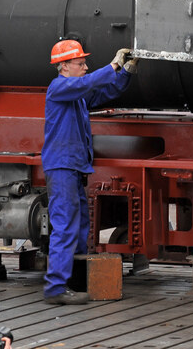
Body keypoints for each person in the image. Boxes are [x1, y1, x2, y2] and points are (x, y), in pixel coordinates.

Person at [42, 40, 138, 305]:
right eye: (80, 63)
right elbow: (88, 83)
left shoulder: (76, 95)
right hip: (62, 168)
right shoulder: (58, 88)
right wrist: (114, 64)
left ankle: (74, 282)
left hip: (72, 168)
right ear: (64, 66)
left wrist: (127, 72)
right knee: (65, 226)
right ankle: (55, 287)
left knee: (80, 225)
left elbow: (107, 91)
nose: (85, 67)